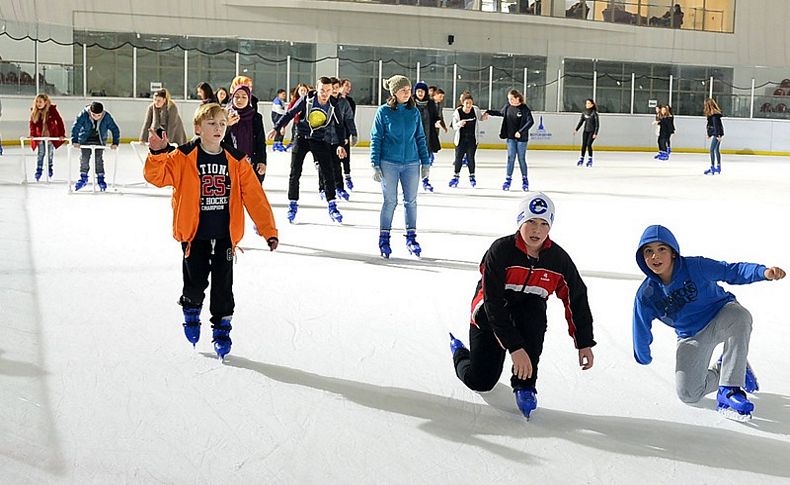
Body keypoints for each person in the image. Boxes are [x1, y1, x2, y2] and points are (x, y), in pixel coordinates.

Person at [144, 103, 278, 360]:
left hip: (226, 235)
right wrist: (157, 152)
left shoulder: (237, 160)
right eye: (211, 124)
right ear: (198, 128)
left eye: (222, 124)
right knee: (195, 285)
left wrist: (268, 230)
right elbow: (157, 177)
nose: (218, 129)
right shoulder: (182, 156)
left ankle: (222, 330)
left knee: (223, 286)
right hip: (194, 235)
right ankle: (191, 311)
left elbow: (254, 197)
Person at [450, 193, 595, 418]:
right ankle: (460, 352)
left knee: (534, 313)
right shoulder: (500, 250)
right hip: (489, 316)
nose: (537, 229)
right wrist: (515, 347)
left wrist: (583, 341)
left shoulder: (557, 259)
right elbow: (493, 303)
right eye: (531, 222)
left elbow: (576, 296)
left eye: (543, 224)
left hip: (525, 316)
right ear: (520, 223)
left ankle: (525, 385)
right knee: (480, 382)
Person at [632, 225, 785, 420]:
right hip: (691, 335)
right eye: (649, 251)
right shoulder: (646, 294)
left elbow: (731, 270)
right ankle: (730, 367)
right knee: (688, 394)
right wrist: (643, 354)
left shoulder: (695, 267)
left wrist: (762, 272)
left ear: (672, 253)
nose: (655, 256)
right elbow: (640, 325)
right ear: (643, 258)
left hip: (722, 315)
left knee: (740, 317)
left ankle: (729, 390)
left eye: (662, 249)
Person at [268, 77, 344, 224]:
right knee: (295, 172)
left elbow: (339, 125)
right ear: (316, 88)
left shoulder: (333, 105)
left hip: (319, 140)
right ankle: (292, 204)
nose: (325, 93)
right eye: (322, 90)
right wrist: (276, 127)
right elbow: (290, 113)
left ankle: (332, 205)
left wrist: (340, 144)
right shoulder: (307, 99)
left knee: (328, 172)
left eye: (328, 90)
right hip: (301, 138)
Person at [370, 75, 431, 258]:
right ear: (394, 92)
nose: (407, 93)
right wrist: (375, 163)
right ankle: (384, 238)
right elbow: (376, 138)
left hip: (411, 163)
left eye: (408, 89)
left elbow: (420, 137)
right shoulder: (384, 112)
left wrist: (425, 162)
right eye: (403, 90)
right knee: (390, 202)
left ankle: (411, 238)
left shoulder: (414, 112)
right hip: (389, 162)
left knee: (411, 202)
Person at [485, 89, 534, 191]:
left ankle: (525, 180)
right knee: (510, 158)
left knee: (521, 159)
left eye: (512, 98)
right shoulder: (508, 107)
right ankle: (508, 179)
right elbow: (500, 113)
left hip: (521, 139)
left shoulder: (524, 109)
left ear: (517, 98)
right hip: (510, 137)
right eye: (509, 99)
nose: (510, 100)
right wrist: (488, 112)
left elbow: (530, 121)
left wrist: (520, 131)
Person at [317, 77, 356, 201]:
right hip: (323, 138)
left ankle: (339, 187)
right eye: (332, 88)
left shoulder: (344, 103)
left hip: (338, 138)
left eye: (336, 87)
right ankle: (322, 188)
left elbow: (348, 119)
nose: (334, 90)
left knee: (337, 164)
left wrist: (352, 134)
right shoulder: (323, 101)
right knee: (323, 165)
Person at [71, 101, 120, 192]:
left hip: (99, 141)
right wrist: (75, 140)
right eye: (94, 115)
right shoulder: (83, 114)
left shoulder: (106, 117)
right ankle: (83, 177)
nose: (96, 117)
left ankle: (101, 178)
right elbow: (76, 127)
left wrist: (115, 142)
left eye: (99, 115)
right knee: (84, 158)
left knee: (98, 159)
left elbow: (114, 129)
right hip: (85, 140)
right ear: (90, 111)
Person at [224, 85, 267, 183]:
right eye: (237, 96)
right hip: (228, 163)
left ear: (249, 99)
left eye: (244, 97)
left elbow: (260, 141)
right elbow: (217, 138)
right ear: (232, 97)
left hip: (250, 162)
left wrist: (262, 161)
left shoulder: (256, 117)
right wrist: (227, 125)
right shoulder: (224, 115)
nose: (240, 100)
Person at [448, 93, 485, 188]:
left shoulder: (475, 110)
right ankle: (456, 176)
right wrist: (459, 123)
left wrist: (484, 117)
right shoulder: (458, 112)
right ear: (463, 103)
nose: (469, 105)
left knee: (470, 158)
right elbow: (454, 126)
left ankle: (472, 176)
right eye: (467, 103)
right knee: (458, 158)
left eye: (470, 103)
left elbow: (480, 118)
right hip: (461, 139)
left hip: (472, 139)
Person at [412, 81, 442, 192]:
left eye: (422, 91)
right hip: (412, 137)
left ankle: (425, 180)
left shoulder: (430, 104)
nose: (420, 93)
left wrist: (437, 121)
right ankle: (411, 182)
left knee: (426, 161)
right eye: (418, 91)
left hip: (427, 137)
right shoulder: (410, 103)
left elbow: (435, 116)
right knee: (413, 162)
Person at [28, 93, 66, 181]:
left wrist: (61, 134)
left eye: (40, 102)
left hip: (51, 136)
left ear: (45, 102)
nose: (38, 104)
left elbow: (59, 121)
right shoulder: (35, 111)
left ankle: (49, 168)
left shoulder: (52, 110)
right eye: (37, 102)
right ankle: (39, 170)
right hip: (40, 137)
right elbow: (32, 124)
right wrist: (33, 134)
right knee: (41, 153)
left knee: (50, 153)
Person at [340, 78, 357, 190]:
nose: (348, 88)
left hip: (345, 132)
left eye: (350, 86)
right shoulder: (333, 100)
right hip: (333, 133)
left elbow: (350, 119)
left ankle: (347, 175)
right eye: (346, 85)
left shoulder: (350, 102)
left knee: (346, 156)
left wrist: (352, 133)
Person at [573, 98, 599, 167]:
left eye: (588, 103)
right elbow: (581, 122)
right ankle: (582, 158)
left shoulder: (594, 114)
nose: (587, 105)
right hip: (586, 131)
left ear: (592, 105)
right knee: (584, 145)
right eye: (586, 103)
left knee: (589, 144)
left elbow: (597, 124)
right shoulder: (584, 113)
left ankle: (590, 159)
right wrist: (576, 129)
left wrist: (595, 133)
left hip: (592, 131)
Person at [704, 98, 724, 175]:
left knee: (712, 150)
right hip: (717, 133)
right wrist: (710, 134)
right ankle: (718, 167)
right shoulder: (714, 114)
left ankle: (713, 167)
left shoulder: (714, 115)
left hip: (717, 134)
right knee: (716, 150)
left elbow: (716, 126)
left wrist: (718, 135)